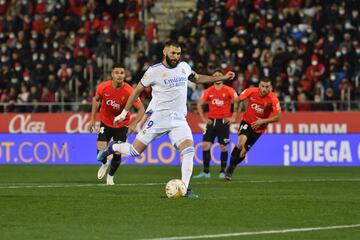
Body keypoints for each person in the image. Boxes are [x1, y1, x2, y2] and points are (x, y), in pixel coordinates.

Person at [97, 40, 235, 197]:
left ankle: (184, 188)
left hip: (178, 119)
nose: (176, 56)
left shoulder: (184, 67)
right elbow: (136, 91)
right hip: (158, 118)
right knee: (135, 151)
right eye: (173, 53)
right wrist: (123, 112)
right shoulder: (153, 71)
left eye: (178, 53)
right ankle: (113, 147)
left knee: (189, 150)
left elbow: (197, 78)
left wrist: (222, 78)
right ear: (165, 52)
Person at [90, 64, 145, 185]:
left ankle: (110, 176)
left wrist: (133, 124)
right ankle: (104, 164)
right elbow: (96, 99)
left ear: (125, 75)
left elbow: (141, 109)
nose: (119, 75)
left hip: (122, 125)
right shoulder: (103, 87)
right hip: (106, 121)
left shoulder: (130, 91)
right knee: (100, 151)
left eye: (122, 73)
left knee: (117, 153)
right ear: (112, 75)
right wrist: (92, 118)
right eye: (116, 73)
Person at [224, 77, 281, 181]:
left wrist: (262, 121)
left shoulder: (273, 99)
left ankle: (232, 166)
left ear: (270, 87)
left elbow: (278, 117)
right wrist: (235, 114)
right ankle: (229, 171)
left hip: (259, 128)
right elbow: (238, 100)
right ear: (259, 85)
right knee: (240, 143)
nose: (264, 89)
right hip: (247, 122)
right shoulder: (251, 91)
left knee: (243, 153)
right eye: (262, 86)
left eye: (267, 87)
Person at [193, 69, 238, 179]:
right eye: (215, 75)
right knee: (205, 145)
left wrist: (234, 116)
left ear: (223, 77)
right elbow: (199, 105)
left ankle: (222, 171)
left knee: (223, 147)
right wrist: (203, 118)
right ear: (213, 78)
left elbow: (238, 101)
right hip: (211, 121)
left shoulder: (229, 90)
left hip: (224, 122)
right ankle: (206, 172)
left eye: (219, 75)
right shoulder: (208, 91)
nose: (217, 77)